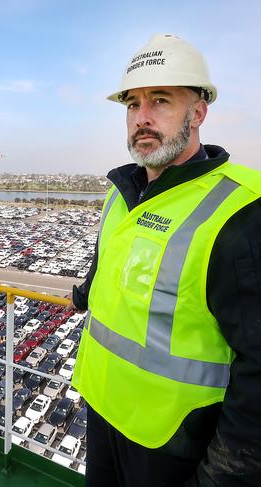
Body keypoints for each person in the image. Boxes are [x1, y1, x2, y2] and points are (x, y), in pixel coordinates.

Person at [70, 34, 261, 486]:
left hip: (174, 445)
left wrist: (223, 477)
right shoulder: (122, 195)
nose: (143, 118)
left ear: (198, 112)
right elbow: (116, 268)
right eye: (133, 105)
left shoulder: (242, 210)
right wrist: (82, 293)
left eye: (161, 101)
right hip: (100, 412)